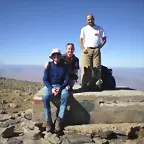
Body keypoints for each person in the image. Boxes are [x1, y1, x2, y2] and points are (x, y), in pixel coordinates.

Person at [43, 48, 70, 133]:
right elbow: (45, 80)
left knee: (65, 95)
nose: (56, 56)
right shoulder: (49, 66)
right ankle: (48, 122)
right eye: (54, 55)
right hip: (50, 86)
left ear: (60, 56)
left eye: (58, 54)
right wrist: (52, 89)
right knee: (45, 97)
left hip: (61, 86)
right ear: (52, 56)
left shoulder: (64, 66)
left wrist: (60, 88)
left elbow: (67, 80)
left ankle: (59, 120)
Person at [80, 14, 107, 91]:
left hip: (96, 50)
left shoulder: (99, 29)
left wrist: (99, 47)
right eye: (88, 20)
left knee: (97, 68)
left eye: (91, 19)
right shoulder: (84, 29)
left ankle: (96, 86)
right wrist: (83, 48)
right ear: (86, 20)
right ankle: (85, 86)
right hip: (87, 50)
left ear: (94, 19)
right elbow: (81, 40)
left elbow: (104, 39)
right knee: (86, 68)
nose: (90, 21)